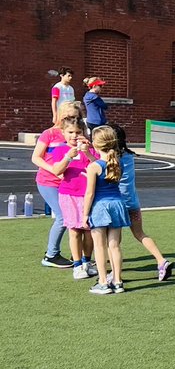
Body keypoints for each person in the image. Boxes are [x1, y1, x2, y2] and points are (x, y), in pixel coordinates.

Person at [112, 125, 172, 281]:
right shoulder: (128, 156)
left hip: (117, 203)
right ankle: (161, 260)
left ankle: (115, 274)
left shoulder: (112, 158)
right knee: (140, 234)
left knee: (113, 241)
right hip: (132, 202)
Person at [31, 100, 87, 268]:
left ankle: (78, 254)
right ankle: (51, 255)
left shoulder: (79, 133)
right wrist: (54, 170)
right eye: (68, 116)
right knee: (63, 216)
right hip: (49, 182)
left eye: (76, 117)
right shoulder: (49, 134)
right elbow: (36, 157)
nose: (72, 119)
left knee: (80, 218)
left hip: (71, 184)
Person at [81, 126, 130, 295]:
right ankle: (117, 281)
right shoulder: (118, 163)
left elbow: (90, 193)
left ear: (95, 145)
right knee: (114, 246)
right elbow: (106, 169)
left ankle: (103, 282)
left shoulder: (93, 167)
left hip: (100, 207)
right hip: (117, 205)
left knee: (99, 246)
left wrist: (85, 214)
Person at [49, 117, 98, 280]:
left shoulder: (90, 149)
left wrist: (87, 152)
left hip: (89, 195)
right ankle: (77, 265)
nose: (74, 136)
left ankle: (87, 262)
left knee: (89, 230)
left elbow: (100, 166)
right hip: (69, 195)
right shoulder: (60, 150)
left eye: (78, 132)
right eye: (70, 132)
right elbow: (56, 171)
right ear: (63, 133)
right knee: (74, 231)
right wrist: (68, 157)